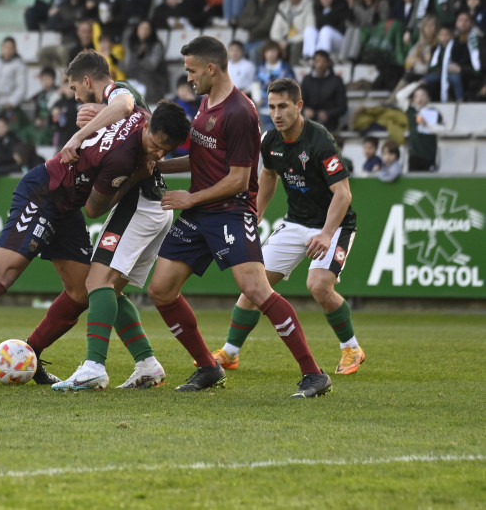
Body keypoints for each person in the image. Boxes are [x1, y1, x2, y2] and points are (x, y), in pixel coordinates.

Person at [0, 50, 189, 390]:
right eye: (159, 146)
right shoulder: (128, 127)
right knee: (3, 272)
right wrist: (98, 148)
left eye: (74, 86)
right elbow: (96, 208)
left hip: (66, 206)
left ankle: (31, 355)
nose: (74, 94)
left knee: (83, 292)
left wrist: (94, 130)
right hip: (44, 192)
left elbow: (121, 111)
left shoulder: (128, 110)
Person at [145, 36, 332, 398]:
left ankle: (314, 373)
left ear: (212, 69)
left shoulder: (239, 112)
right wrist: (157, 163)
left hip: (229, 211)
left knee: (256, 289)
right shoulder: (205, 104)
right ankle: (207, 367)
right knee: (161, 290)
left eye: (192, 70)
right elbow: (202, 160)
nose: (188, 78)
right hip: (199, 212)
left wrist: (189, 197)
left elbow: (239, 179)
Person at [209, 77, 364, 378]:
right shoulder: (270, 140)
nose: (277, 113)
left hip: (335, 224)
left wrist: (327, 234)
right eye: (272, 107)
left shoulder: (320, 141)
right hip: (296, 223)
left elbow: (343, 194)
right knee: (254, 284)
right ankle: (230, 353)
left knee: (318, 286)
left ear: (299, 106)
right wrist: (256, 214)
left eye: (283, 106)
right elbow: (268, 175)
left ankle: (351, 348)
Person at [51, 90, 192, 392]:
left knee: (97, 282)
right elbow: (121, 95)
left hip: (139, 208)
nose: (157, 154)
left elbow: (92, 210)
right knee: (110, 290)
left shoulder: (127, 153)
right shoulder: (134, 112)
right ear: (148, 123)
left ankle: (94, 367)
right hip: (153, 209)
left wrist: (137, 175)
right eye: (155, 145)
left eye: (164, 151)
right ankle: (147, 365)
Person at [396, 81, 446, 171]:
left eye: (423, 95)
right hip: (414, 153)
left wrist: (427, 124)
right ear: (413, 99)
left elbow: (442, 129)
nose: (420, 98)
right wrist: (416, 84)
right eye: (416, 96)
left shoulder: (434, 112)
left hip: (429, 152)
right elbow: (400, 96)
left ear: (428, 98)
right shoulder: (410, 110)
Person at [300, 50, 348, 132]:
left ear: (328, 63)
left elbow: (342, 107)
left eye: (323, 61)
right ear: (314, 63)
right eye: (318, 61)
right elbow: (298, 103)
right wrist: (305, 110)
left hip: (330, 123)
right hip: (309, 121)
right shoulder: (307, 80)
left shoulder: (336, 81)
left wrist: (328, 114)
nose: (320, 65)